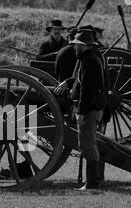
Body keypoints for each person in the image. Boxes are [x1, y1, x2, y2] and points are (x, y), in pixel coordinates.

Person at [54, 30, 106, 190]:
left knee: (89, 145)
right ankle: (91, 182)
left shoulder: (90, 61)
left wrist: (81, 113)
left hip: (89, 110)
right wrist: (68, 83)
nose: (74, 48)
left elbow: (87, 90)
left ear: (83, 46)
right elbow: (79, 80)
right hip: (90, 109)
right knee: (87, 145)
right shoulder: (88, 59)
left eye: (76, 46)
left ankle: (92, 183)